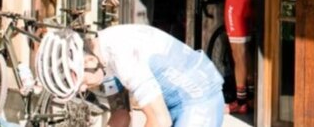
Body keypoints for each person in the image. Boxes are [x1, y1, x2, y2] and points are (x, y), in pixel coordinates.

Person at [36, 25, 225, 127]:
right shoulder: (102, 56)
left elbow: (160, 122)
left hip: (199, 98)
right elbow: (120, 115)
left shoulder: (122, 57)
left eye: (81, 84)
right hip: (174, 102)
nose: (84, 89)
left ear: (89, 62)